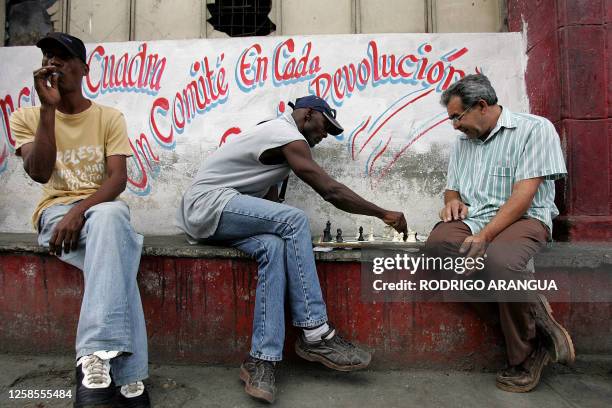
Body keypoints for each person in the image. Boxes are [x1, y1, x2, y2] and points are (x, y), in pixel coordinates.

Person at [177, 95, 407, 403]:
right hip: (207, 205)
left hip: (222, 217)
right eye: (326, 126)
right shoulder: (285, 133)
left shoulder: (278, 146)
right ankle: (315, 332)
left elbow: (268, 206)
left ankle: (262, 359)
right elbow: (330, 190)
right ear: (309, 113)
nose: (325, 135)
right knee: (295, 220)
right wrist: (383, 213)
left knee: (274, 246)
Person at [10, 32, 150, 407]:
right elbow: (39, 173)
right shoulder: (26, 117)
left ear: (84, 68)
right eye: (48, 57)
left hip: (92, 213)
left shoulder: (108, 117)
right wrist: (47, 111)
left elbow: (117, 180)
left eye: (63, 57)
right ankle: (130, 379)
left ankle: (94, 359)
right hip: (54, 215)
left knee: (111, 216)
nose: (53, 64)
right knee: (116, 246)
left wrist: (79, 210)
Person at [425, 74, 574, 392]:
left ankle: (525, 355)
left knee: (500, 262)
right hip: (476, 218)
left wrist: (486, 236)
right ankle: (535, 322)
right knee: (437, 250)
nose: (454, 125)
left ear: (480, 105)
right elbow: (453, 189)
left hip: (525, 218)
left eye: (456, 116)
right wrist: (451, 203)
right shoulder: (464, 141)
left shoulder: (534, 128)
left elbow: (524, 195)